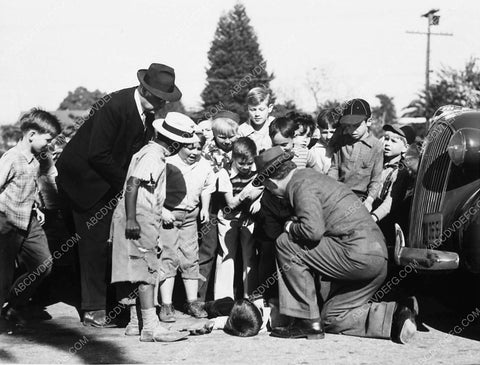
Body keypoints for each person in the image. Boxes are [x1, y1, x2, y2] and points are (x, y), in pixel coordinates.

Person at [56, 63, 182, 327]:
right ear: (144, 90)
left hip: (109, 182)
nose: (161, 105)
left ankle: (108, 302)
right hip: (84, 182)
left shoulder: (147, 114)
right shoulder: (113, 105)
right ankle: (93, 309)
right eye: (159, 99)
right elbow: (97, 154)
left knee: (108, 244)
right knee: (94, 244)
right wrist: (129, 183)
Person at [253, 146, 418, 344]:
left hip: (356, 255)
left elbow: (311, 231)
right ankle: (397, 314)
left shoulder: (300, 185)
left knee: (286, 243)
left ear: (270, 183)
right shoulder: (313, 178)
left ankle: (306, 320)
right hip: (376, 258)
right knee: (330, 317)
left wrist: (289, 226)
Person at [110, 112, 196, 342]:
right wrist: (132, 218)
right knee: (147, 271)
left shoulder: (149, 152)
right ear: (175, 141)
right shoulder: (153, 156)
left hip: (136, 213)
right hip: (139, 213)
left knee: (133, 270)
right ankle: (150, 326)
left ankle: (135, 322)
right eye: (184, 144)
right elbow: (133, 183)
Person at [0, 108, 61, 324]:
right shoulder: (12, 158)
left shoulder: (36, 161)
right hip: (6, 222)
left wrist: (36, 207)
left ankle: (14, 305)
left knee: (43, 265)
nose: (49, 144)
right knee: (4, 276)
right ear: (31, 135)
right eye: (48, 139)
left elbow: (30, 189)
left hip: (30, 221)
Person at [157, 134, 215, 322]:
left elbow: (207, 187)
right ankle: (166, 305)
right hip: (170, 216)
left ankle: (193, 302)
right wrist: (163, 209)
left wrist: (205, 208)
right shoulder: (168, 163)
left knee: (190, 257)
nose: (194, 152)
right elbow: (156, 189)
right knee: (169, 257)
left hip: (191, 216)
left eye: (198, 148)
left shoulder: (204, 165)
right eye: (189, 147)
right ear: (179, 146)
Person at [197, 111, 239, 301]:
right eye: (222, 137)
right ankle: (198, 297)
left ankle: (232, 295)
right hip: (212, 203)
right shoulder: (207, 152)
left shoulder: (239, 148)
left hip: (235, 202)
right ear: (213, 134)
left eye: (232, 137)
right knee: (208, 248)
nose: (227, 141)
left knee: (232, 251)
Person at [214, 137, 263, 300]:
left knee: (249, 256)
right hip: (228, 217)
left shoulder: (257, 170)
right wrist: (249, 192)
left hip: (248, 218)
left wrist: (258, 200)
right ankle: (223, 299)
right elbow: (231, 202)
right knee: (227, 255)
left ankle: (251, 297)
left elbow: (264, 188)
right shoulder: (224, 173)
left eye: (249, 163)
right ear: (233, 158)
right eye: (241, 164)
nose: (246, 167)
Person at [327, 98, 383, 212]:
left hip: (361, 199)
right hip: (339, 194)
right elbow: (334, 168)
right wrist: (330, 190)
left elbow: (376, 179)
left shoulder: (376, 146)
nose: (352, 130)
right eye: (348, 126)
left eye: (356, 125)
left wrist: (369, 200)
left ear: (369, 121)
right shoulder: (341, 142)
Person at [371, 125, 416, 225]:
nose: (387, 144)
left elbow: (390, 202)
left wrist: (373, 217)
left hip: (386, 220)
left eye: (393, 141)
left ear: (405, 148)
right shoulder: (378, 164)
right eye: (386, 139)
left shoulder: (400, 172)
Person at [238, 86, 275, 153]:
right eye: (253, 110)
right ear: (247, 108)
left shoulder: (278, 126)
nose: (257, 114)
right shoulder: (241, 131)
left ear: (270, 108)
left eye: (261, 109)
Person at [311, 108, 337, 173]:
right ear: (318, 129)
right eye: (324, 133)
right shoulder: (314, 149)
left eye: (332, 132)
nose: (329, 136)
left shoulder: (343, 146)